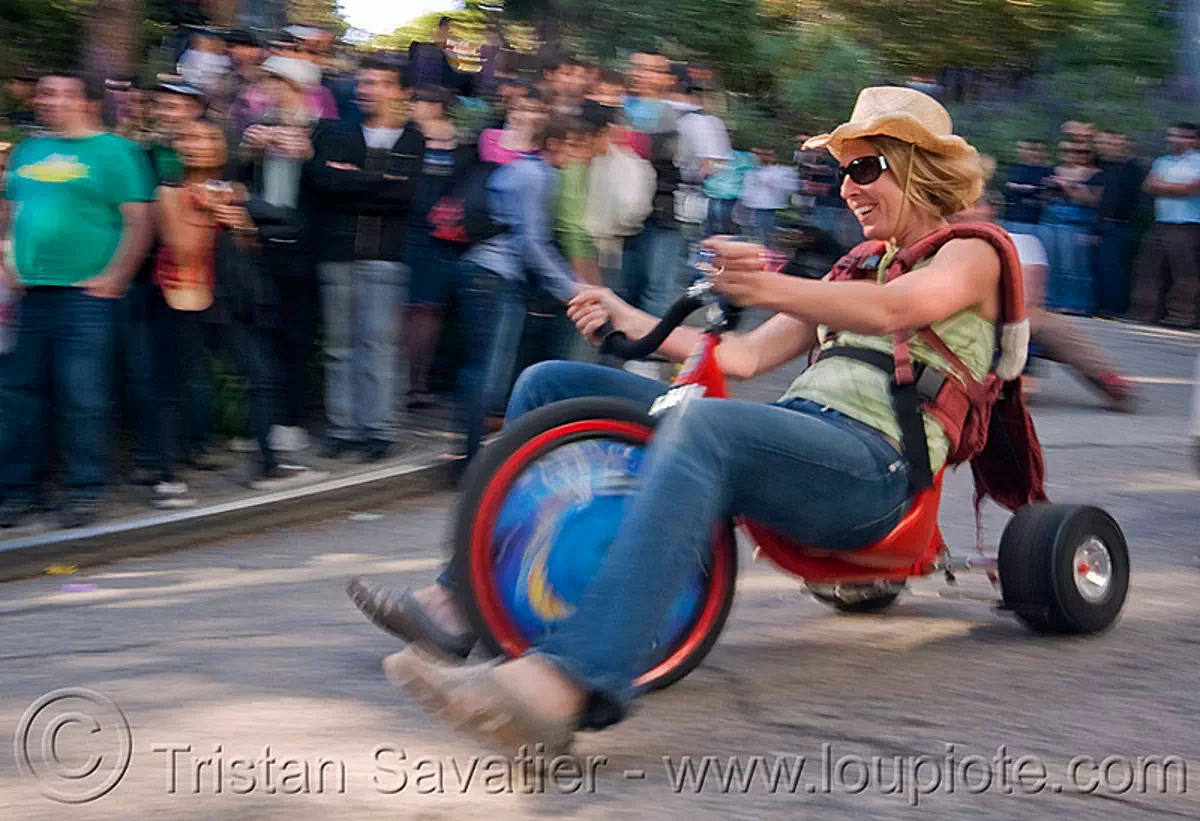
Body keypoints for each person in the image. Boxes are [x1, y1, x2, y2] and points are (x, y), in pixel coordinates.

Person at [350, 87, 1016, 750]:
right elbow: (747, 354)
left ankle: (563, 685)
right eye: (843, 171)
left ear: (917, 169)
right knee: (552, 385)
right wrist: (624, 314)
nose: (847, 187)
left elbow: (900, 309)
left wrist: (763, 285)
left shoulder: (972, 252)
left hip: (873, 471)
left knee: (704, 425)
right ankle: (463, 602)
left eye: (865, 168)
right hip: (798, 443)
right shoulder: (856, 269)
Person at [0, 71, 155, 528]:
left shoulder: (115, 152)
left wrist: (116, 276)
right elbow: (6, 213)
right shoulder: (28, 151)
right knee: (19, 394)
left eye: (66, 94)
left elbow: (139, 220)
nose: (54, 101)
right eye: (47, 93)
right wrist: (6, 260)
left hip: (86, 296)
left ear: (87, 102)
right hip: (31, 292)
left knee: (81, 393)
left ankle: (84, 490)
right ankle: (19, 491)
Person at [154, 118, 325, 494]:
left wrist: (244, 222)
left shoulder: (235, 191)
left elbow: (289, 224)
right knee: (175, 386)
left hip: (231, 304)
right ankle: (166, 477)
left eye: (207, 137)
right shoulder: (170, 192)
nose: (199, 145)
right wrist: (208, 213)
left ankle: (267, 466)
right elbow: (181, 250)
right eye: (190, 137)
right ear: (180, 148)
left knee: (263, 377)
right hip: (186, 299)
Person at [306, 56, 425, 461]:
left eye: (377, 83)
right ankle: (343, 428)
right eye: (364, 82)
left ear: (400, 92)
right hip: (338, 251)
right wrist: (379, 181)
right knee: (340, 346)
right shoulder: (339, 132)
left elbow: (406, 197)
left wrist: (354, 179)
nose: (366, 89)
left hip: (385, 256)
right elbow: (325, 183)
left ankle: (379, 429)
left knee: (378, 344)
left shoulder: (412, 140)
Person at [239, 56, 321, 455]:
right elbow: (238, 181)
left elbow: (329, 184)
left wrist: (309, 154)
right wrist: (249, 151)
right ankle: (262, 421)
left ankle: (291, 419)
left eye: (277, 82)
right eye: (267, 81)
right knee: (261, 331)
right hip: (260, 241)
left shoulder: (321, 128)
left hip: (302, 245)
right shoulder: (258, 127)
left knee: (296, 334)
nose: (268, 88)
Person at [1130, 123, 1200, 327]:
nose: (1173, 139)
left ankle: (1182, 315)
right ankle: (1143, 312)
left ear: (1193, 139)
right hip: (1161, 222)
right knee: (1148, 267)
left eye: (1180, 136)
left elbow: (1191, 189)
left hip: (1188, 224)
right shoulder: (1162, 161)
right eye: (1171, 135)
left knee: (1184, 271)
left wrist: (1164, 187)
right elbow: (1148, 185)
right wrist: (1172, 188)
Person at [1041, 141, 1102, 314]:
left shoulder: (1094, 174)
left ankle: (1077, 304)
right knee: (1053, 263)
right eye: (1067, 151)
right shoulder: (1055, 170)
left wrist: (1067, 186)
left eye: (1081, 152)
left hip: (1077, 223)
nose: (1073, 155)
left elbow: (1089, 200)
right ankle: (1052, 301)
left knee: (1074, 265)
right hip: (1051, 219)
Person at [1092, 130, 1145, 317]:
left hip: (1121, 225)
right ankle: (1103, 306)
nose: (1104, 148)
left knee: (1115, 268)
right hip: (1103, 224)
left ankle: (1115, 308)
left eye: (1109, 143)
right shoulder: (1107, 168)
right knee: (1102, 266)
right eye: (1101, 144)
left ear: (1122, 143)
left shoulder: (1134, 169)